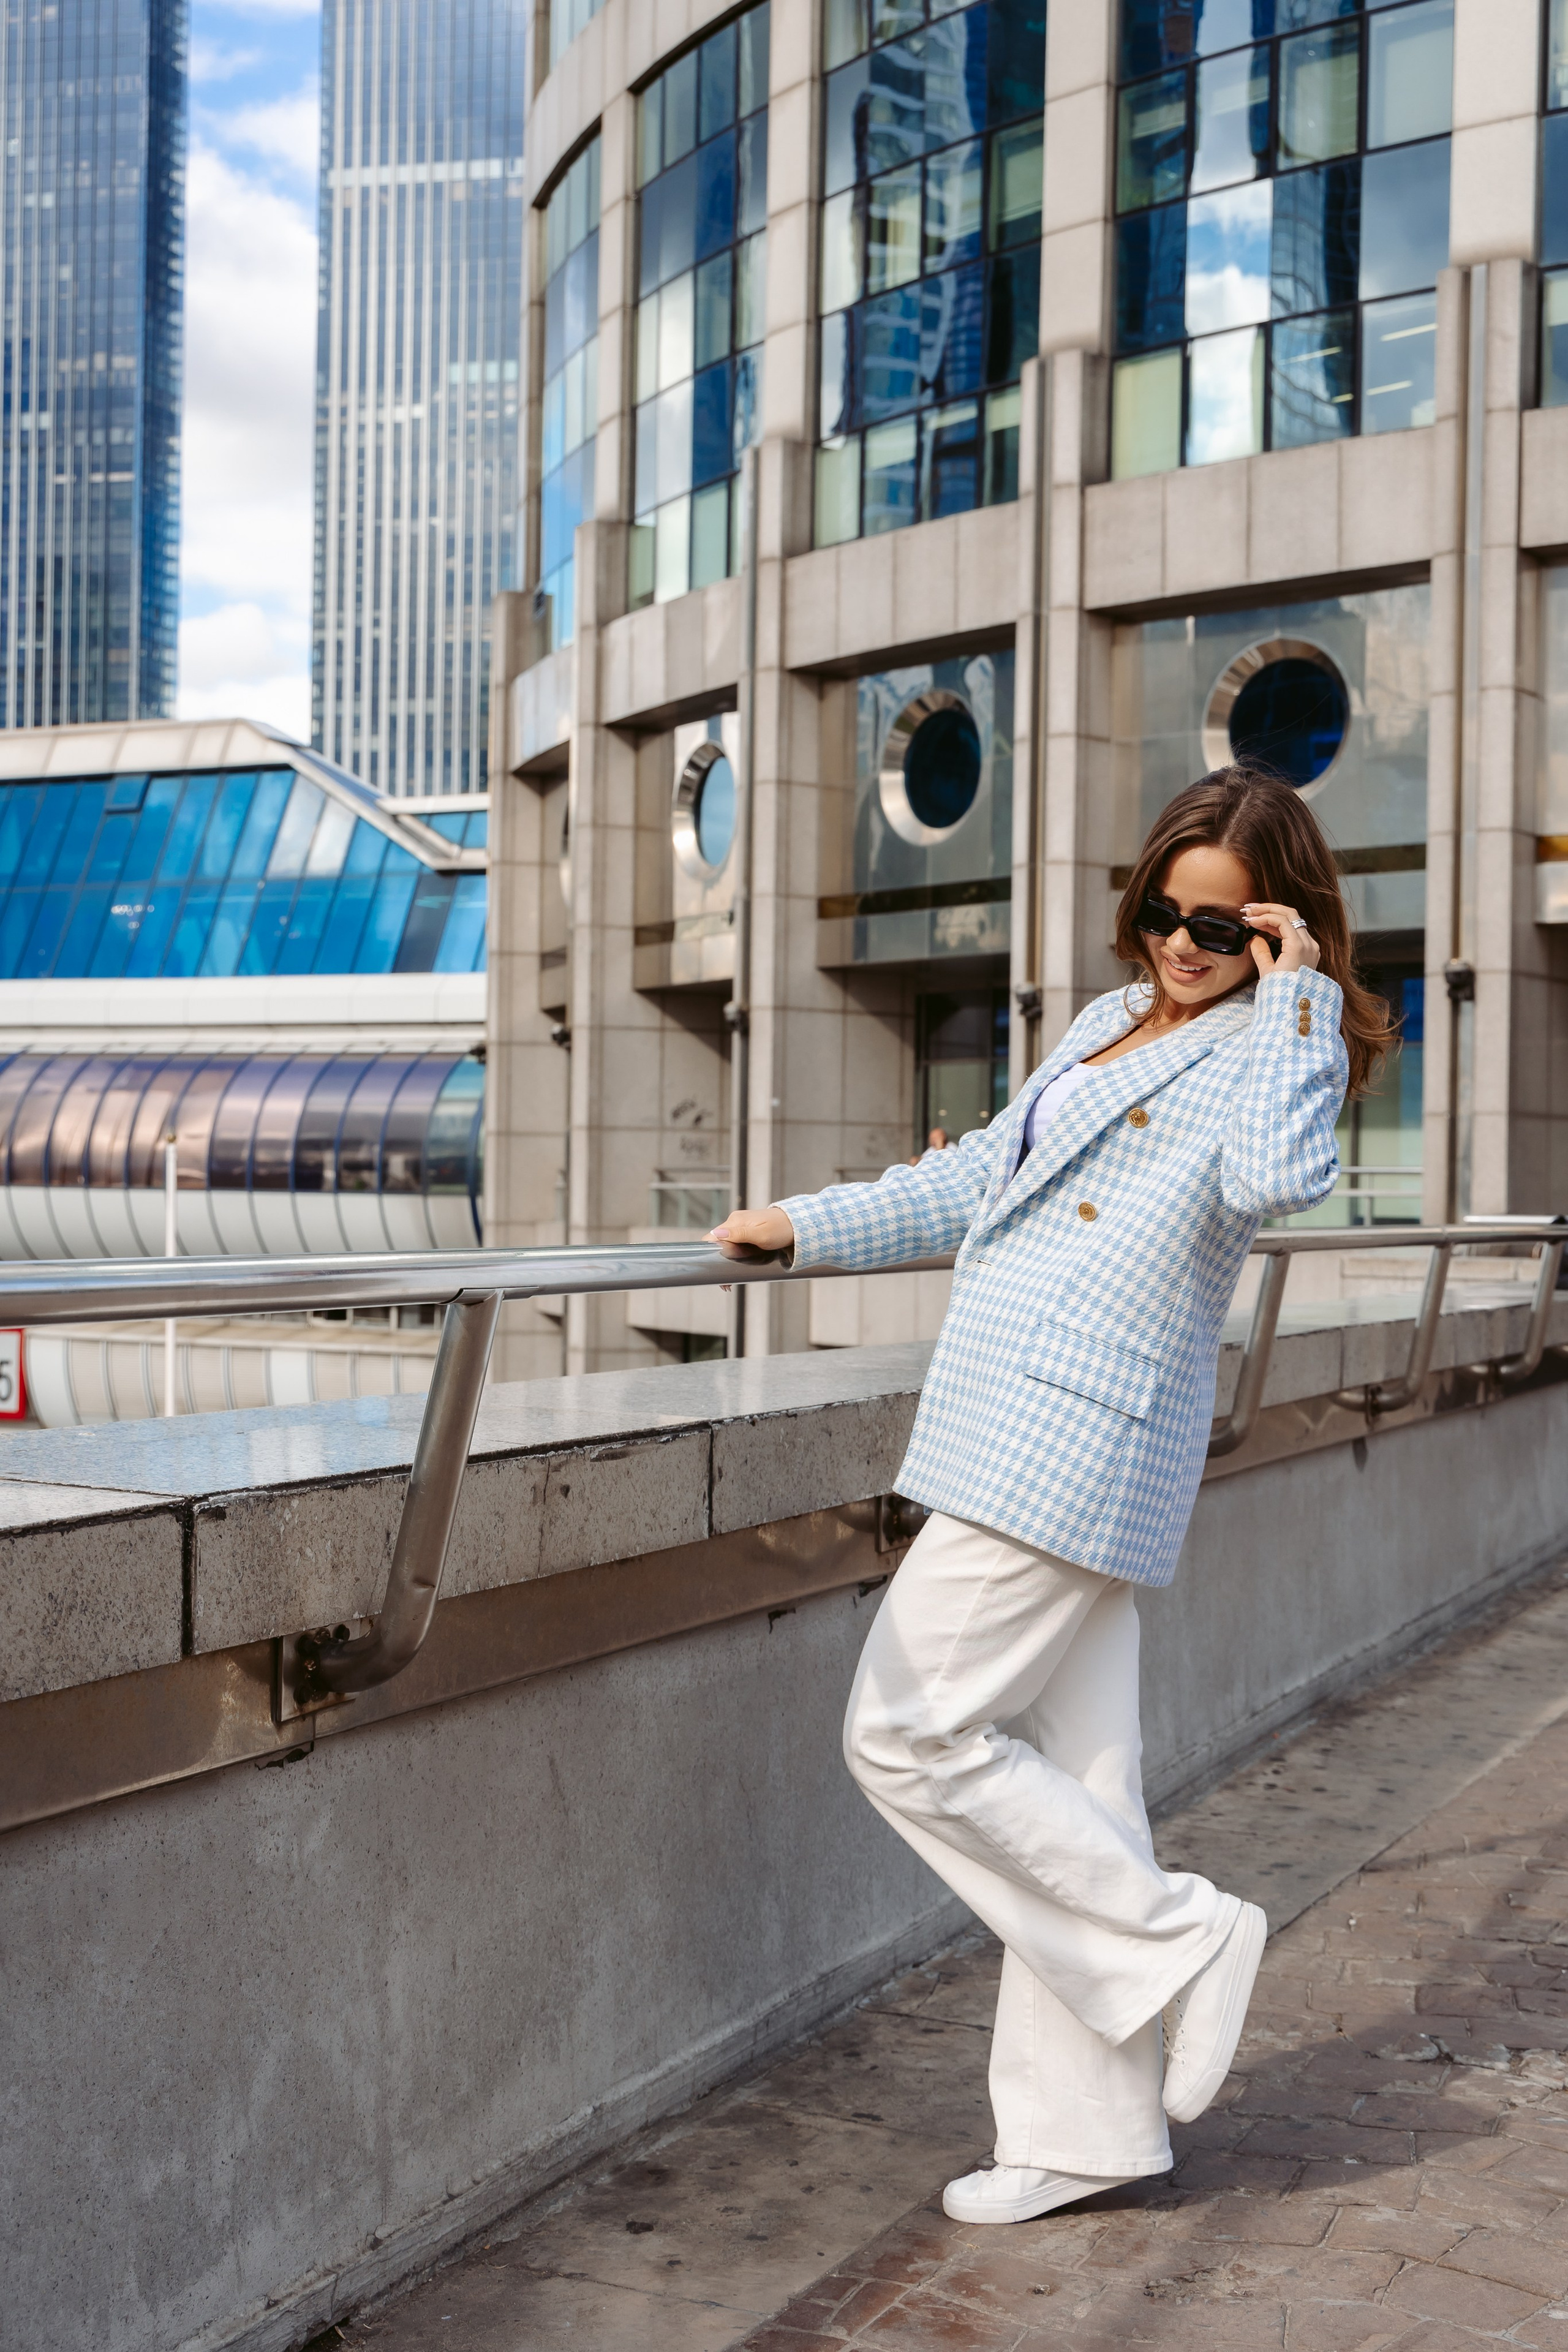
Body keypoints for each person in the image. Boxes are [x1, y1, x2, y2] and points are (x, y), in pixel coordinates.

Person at [710, 766, 1392, 2226]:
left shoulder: (1273, 1046)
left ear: (1278, 927)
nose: (1184, 944)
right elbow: (971, 1190)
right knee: (1079, 1791)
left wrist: (1297, 997)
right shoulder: (1098, 1027)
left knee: (901, 1730)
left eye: (1225, 925)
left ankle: (1180, 1944)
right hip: (1012, 1423)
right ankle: (1086, 2133)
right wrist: (799, 1224)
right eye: (1166, 910)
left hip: (1070, 1444)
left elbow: (1279, 1182)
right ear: (1137, 897)